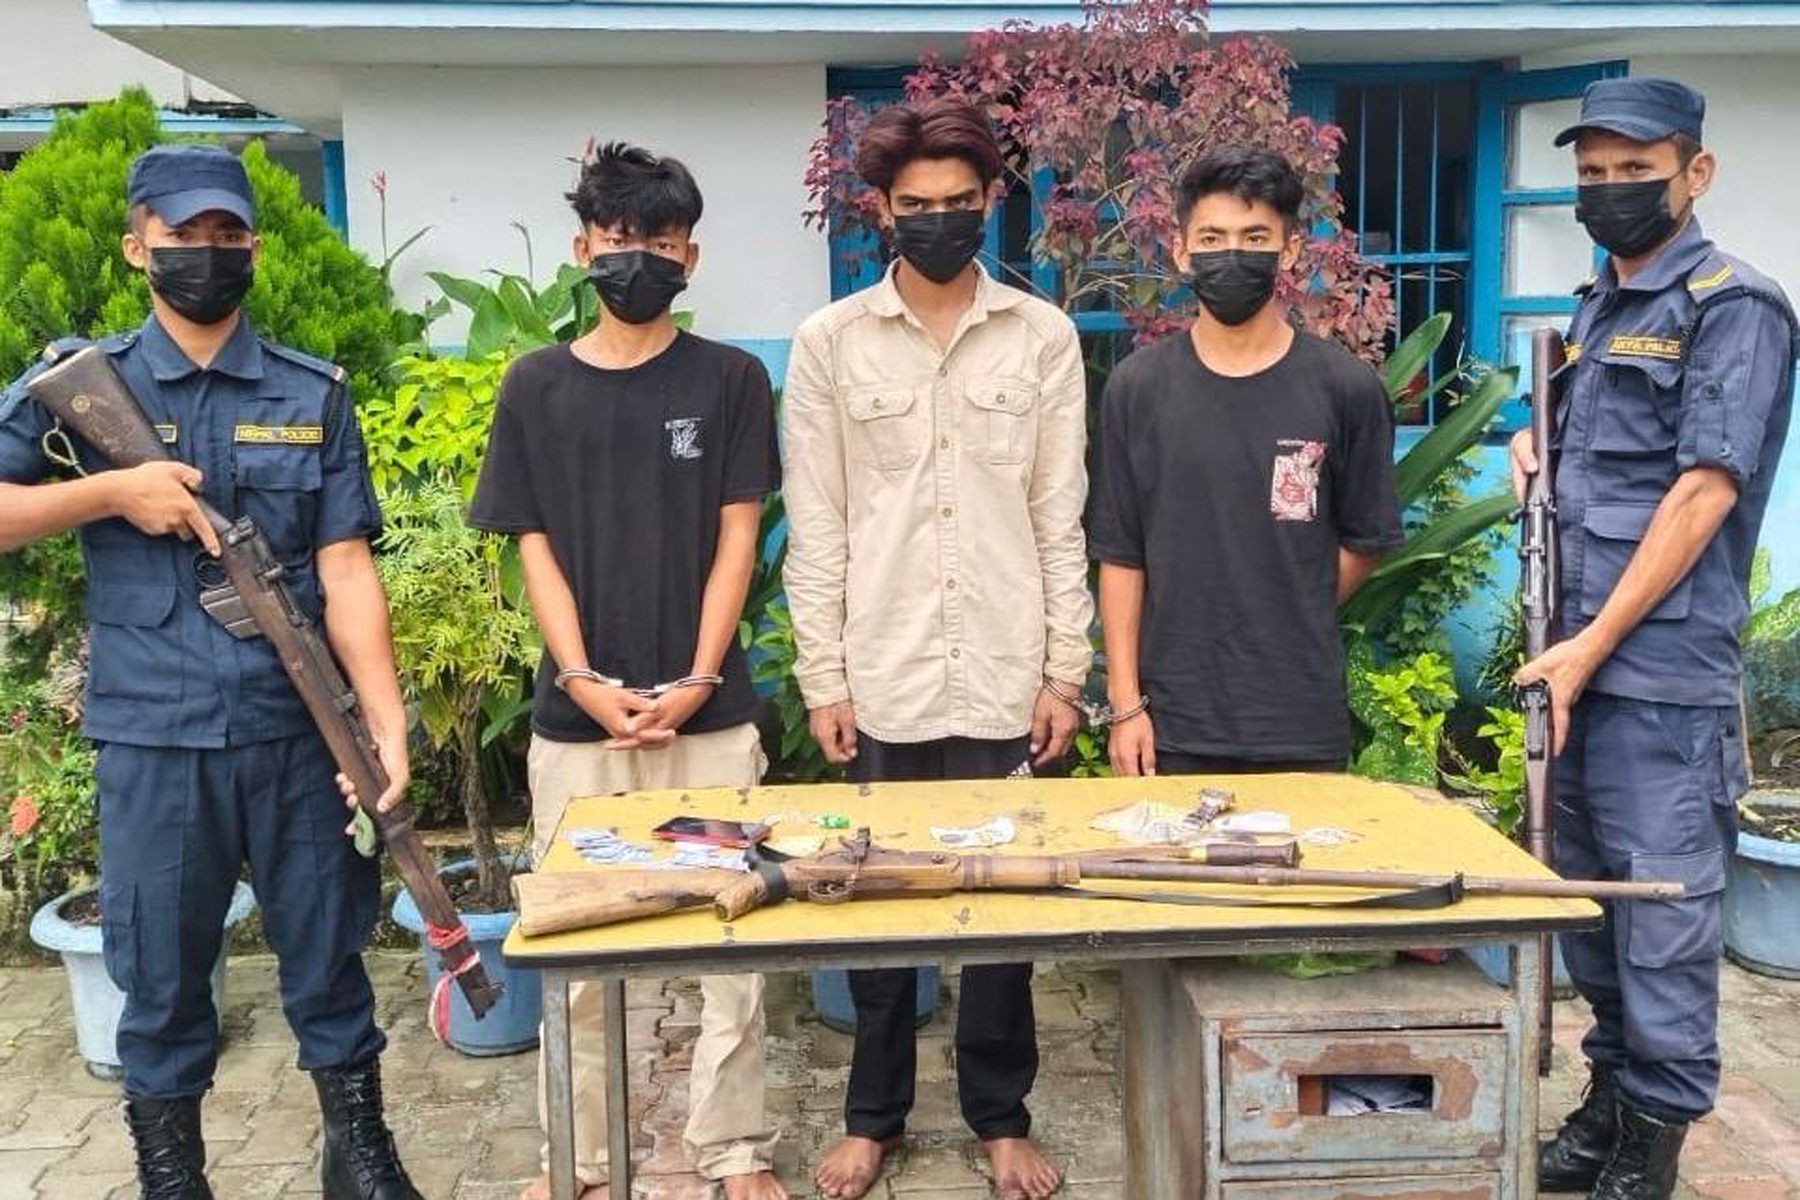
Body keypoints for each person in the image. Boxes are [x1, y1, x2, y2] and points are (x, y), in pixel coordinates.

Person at [0, 145, 420, 1200]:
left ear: (255, 247)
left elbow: (345, 565)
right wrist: (110, 494)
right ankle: (173, 1177)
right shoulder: (77, 385)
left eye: (226, 234)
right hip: (155, 737)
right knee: (161, 977)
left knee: (328, 957)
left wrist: (383, 725)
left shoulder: (310, 390)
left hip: (296, 729)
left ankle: (360, 1158)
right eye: (183, 235)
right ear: (136, 246)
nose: (207, 252)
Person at [782, 97, 1092, 1200]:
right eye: (917, 204)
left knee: (1005, 907)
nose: (939, 220)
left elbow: (1060, 516)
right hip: (886, 669)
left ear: (992, 203)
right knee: (877, 904)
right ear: (882, 210)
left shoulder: (1043, 338)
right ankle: (873, 1118)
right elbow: (818, 523)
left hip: (1007, 670)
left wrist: (1066, 671)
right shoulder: (829, 344)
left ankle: (1000, 1118)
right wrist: (824, 674)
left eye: (960, 202)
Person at [466, 142, 786, 1200]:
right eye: (618, 239)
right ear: (582, 250)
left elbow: (738, 539)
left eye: (659, 240)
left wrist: (696, 679)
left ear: (690, 255)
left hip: (710, 716)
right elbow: (534, 546)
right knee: (574, 947)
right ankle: (584, 1156)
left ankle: (734, 1150)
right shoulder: (535, 385)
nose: (638, 257)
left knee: (732, 945)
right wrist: (580, 678)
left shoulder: (731, 380)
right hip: (579, 723)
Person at [1509, 78, 1795, 1200]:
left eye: (1637, 171)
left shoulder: (1735, 307)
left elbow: (1703, 492)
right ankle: (1609, 1107)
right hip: (1573, 661)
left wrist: (1589, 650)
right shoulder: (1597, 307)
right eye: (1592, 174)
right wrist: (1534, 447)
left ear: (1696, 172)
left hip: (1660, 678)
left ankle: (1652, 1145)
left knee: (1663, 914)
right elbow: (1591, 469)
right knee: (1591, 903)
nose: (1610, 190)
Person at [1090, 144, 1403, 778]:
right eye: (1212, 237)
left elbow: (1366, 538)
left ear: (1290, 250)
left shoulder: (1345, 387)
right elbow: (1120, 554)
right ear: (1181, 250)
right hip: (1170, 722)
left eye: (1254, 237)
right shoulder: (1137, 388)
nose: (1231, 253)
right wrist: (1125, 706)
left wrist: (1286, 596)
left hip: (1299, 721)